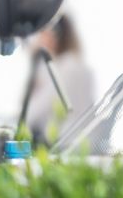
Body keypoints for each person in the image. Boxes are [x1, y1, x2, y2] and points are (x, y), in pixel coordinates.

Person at [25, 14, 95, 144]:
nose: (38, 40)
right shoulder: (77, 64)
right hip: (83, 141)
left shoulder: (65, 68)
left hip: (66, 142)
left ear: (53, 36)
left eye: (41, 34)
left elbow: (35, 112)